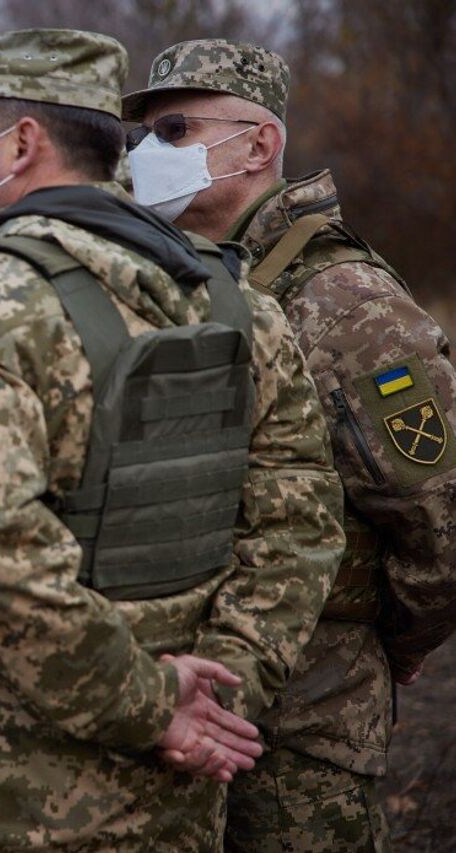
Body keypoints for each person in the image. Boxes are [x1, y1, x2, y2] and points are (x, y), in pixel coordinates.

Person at [0, 28, 346, 850]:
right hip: (179, 798)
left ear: (21, 143)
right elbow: (299, 527)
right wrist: (219, 699)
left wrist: (150, 703)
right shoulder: (237, 305)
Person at [125, 38, 456, 851]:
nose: (143, 155)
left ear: (259, 143)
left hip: (304, 717)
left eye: (172, 131)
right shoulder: (191, 283)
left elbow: (440, 516)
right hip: (181, 701)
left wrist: (389, 638)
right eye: (140, 136)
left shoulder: (342, 300)